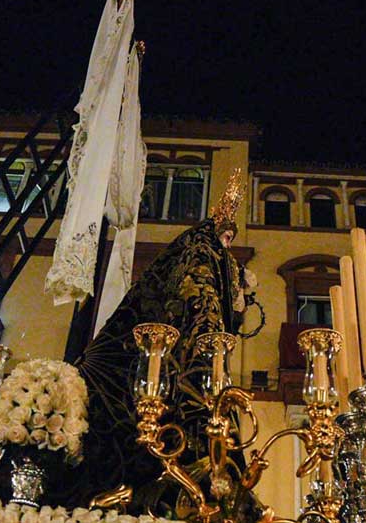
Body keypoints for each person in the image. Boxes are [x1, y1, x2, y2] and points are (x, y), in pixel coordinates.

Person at [60, 170, 249, 512]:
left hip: (199, 347)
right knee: (193, 406)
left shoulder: (219, 259)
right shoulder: (200, 250)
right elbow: (197, 297)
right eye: (225, 233)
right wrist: (211, 321)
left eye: (231, 236)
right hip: (177, 349)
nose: (227, 240)